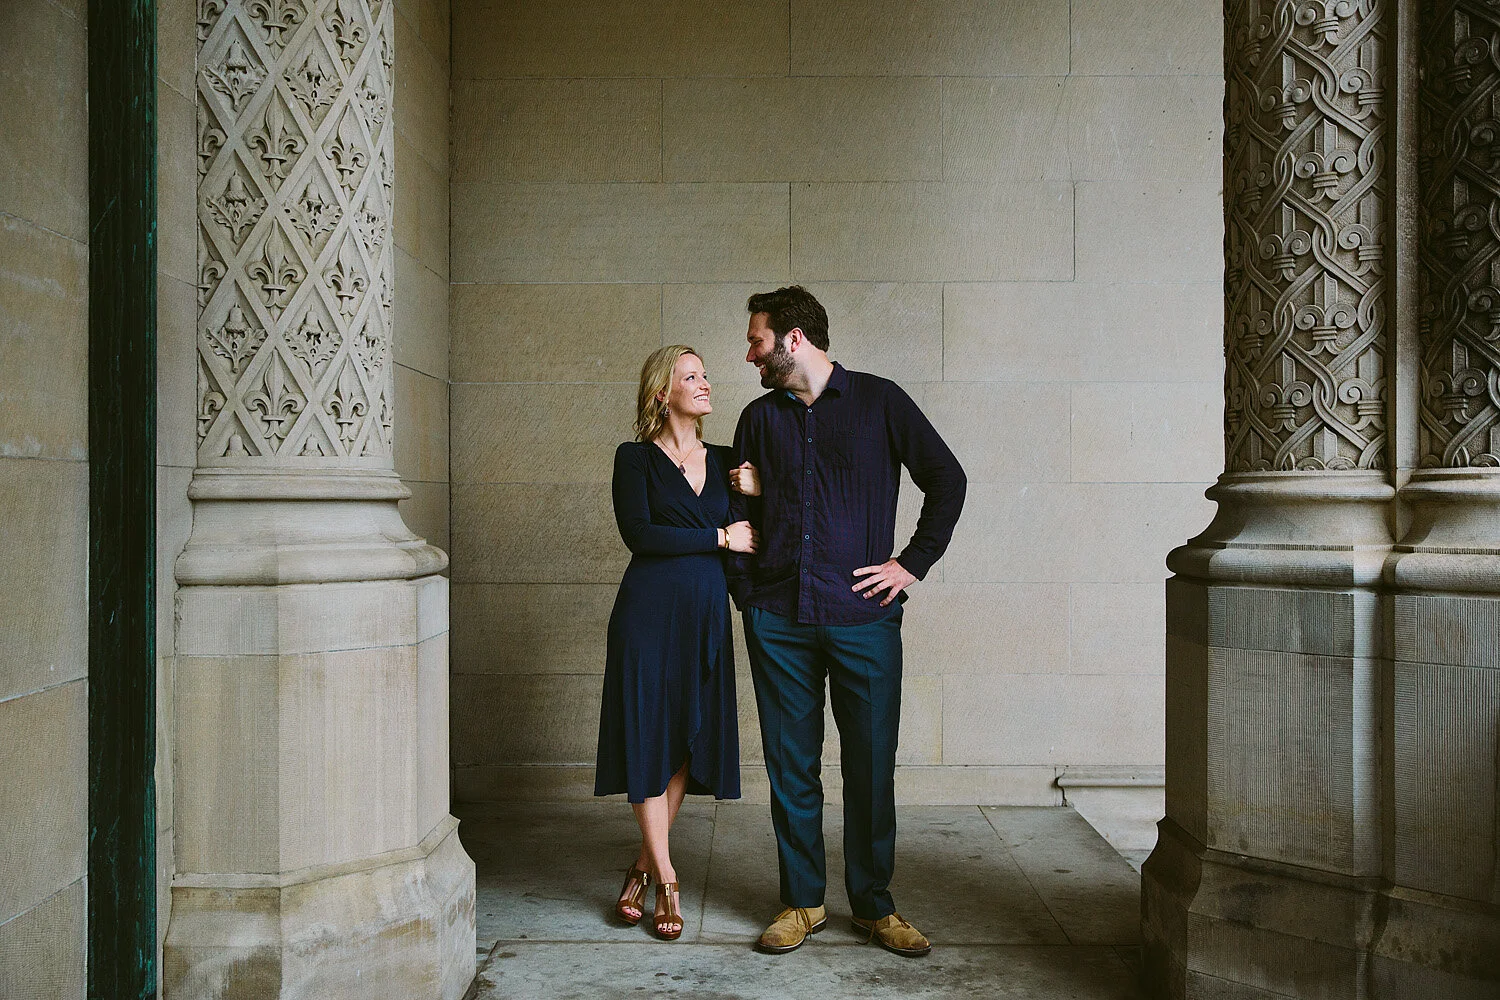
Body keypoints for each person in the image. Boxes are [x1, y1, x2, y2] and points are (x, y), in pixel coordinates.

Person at [728, 286, 966, 958]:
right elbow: (738, 505)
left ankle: (874, 906)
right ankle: (802, 901)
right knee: (791, 766)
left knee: (869, 768)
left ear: (793, 340)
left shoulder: (881, 402)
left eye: (757, 340)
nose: (750, 353)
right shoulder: (757, 420)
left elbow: (947, 478)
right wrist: (745, 592)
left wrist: (910, 564)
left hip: (864, 618)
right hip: (777, 619)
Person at [594, 345, 759, 941]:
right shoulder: (634, 459)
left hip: (706, 613)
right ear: (663, 393)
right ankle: (667, 877)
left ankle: (639, 866)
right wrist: (718, 534)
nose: (706, 384)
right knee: (647, 732)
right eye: (692, 377)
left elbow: (757, 531)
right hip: (648, 611)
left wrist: (755, 491)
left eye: (706, 375)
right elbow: (640, 533)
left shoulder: (726, 460)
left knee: (688, 736)